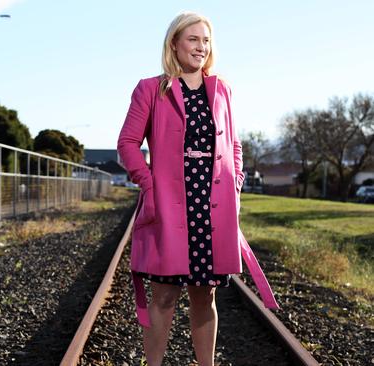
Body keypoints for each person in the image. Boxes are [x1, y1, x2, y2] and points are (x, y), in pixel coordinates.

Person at [116, 11, 280, 366]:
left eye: (205, 40)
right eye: (193, 39)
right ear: (174, 44)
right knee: (164, 297)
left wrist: (235, 186)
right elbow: (127, 143)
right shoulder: (150, 88)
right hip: (170, 205)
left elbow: (234, 146)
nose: (200, 47)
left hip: (212, 208)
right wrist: (149, 183)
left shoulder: (222, 90)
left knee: (205, 297)